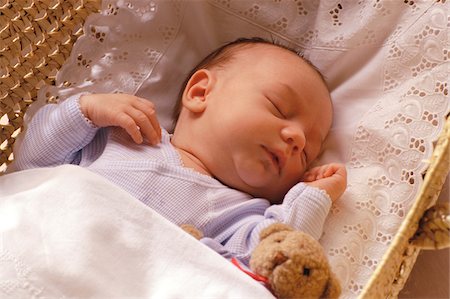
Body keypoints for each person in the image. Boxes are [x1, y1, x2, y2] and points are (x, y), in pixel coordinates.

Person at [14, 37, 347, 264]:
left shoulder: (244, 216)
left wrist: (311, 197)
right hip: (33, 245)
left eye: (308, 152)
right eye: (278, 107)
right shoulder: (123, 136)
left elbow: (270, 259)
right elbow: (32, 164)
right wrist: (85, 110)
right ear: (201, 92)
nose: (297, 139)